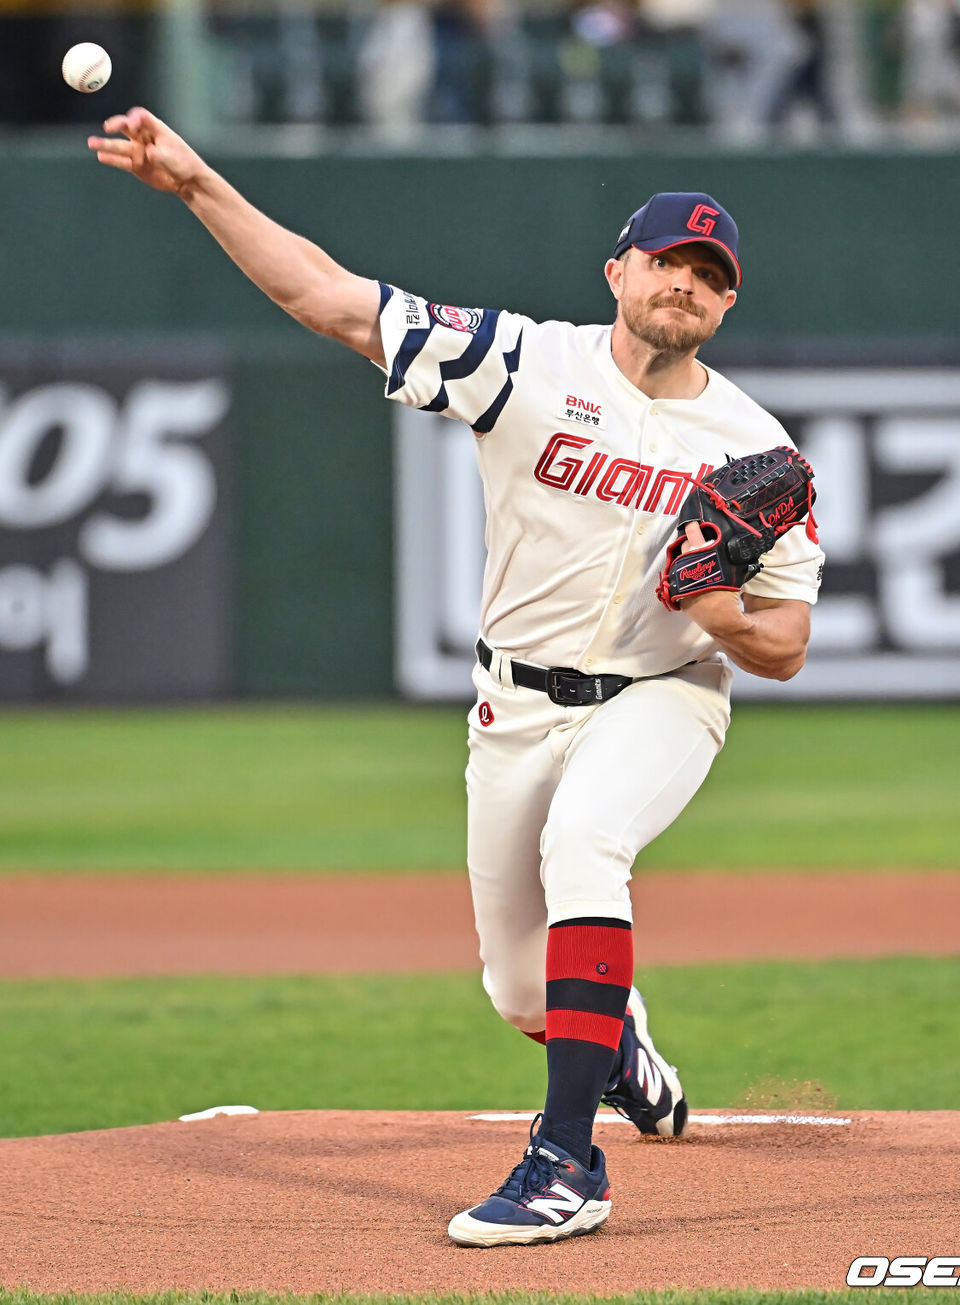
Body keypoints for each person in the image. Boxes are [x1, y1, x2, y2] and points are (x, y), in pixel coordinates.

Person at [87, 111, 824, 1247]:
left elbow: (783, 647)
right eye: (666, 260)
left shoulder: (751, 449)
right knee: (520, 994)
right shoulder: (528, 361)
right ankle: (612, 1039)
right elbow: (330, 301)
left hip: (660, 696)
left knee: (587, 845)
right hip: (514, 703)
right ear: (617, 271)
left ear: (726, 306)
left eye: (706, 275)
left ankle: (566, 1164)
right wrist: (197, 185)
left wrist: (714, 602)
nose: (683, 283)